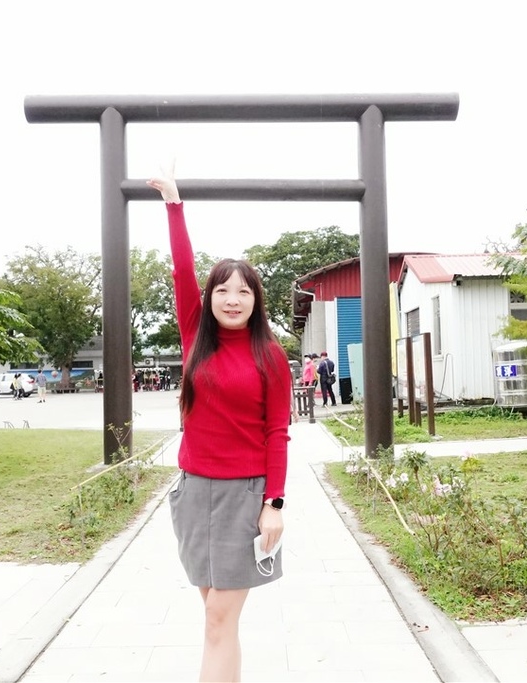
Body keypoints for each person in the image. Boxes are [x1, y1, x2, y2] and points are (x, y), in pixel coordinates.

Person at [148, 169, 291, 682]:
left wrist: (273, 504)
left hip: (245, 496)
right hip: (193, 494)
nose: (233, 299)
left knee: (217, 618)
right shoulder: (195, 338)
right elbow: (181, 270)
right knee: (215, 616)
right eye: (223, 291)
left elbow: (277, 433)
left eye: (244, 292)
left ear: (256, 300)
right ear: (209, 298)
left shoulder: (271, 356)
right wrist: (173, 204)